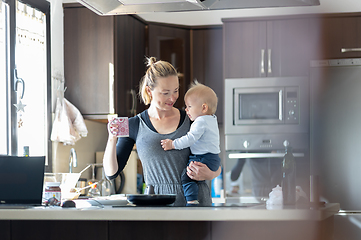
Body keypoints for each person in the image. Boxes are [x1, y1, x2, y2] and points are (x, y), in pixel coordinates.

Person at [103, 57, 221, 206]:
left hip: (196, 206)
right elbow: (111, 173)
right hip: (156, 207)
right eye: (165, 93)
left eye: (176, 91)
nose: (172, 98)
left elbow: (214, 159)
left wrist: (211, 174)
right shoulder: (134, 125)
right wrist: (112, 138)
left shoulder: (192, 118)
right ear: (149, 91)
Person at [161, 82, 221, 205]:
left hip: (202, 158)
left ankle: (192, 201)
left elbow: (190, 139)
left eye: (189, 106)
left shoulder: (200, 122)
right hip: (213, 158)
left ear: (204, 108)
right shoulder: (212, 119)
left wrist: (172, 144)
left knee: (187, 177)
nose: (186, 110)